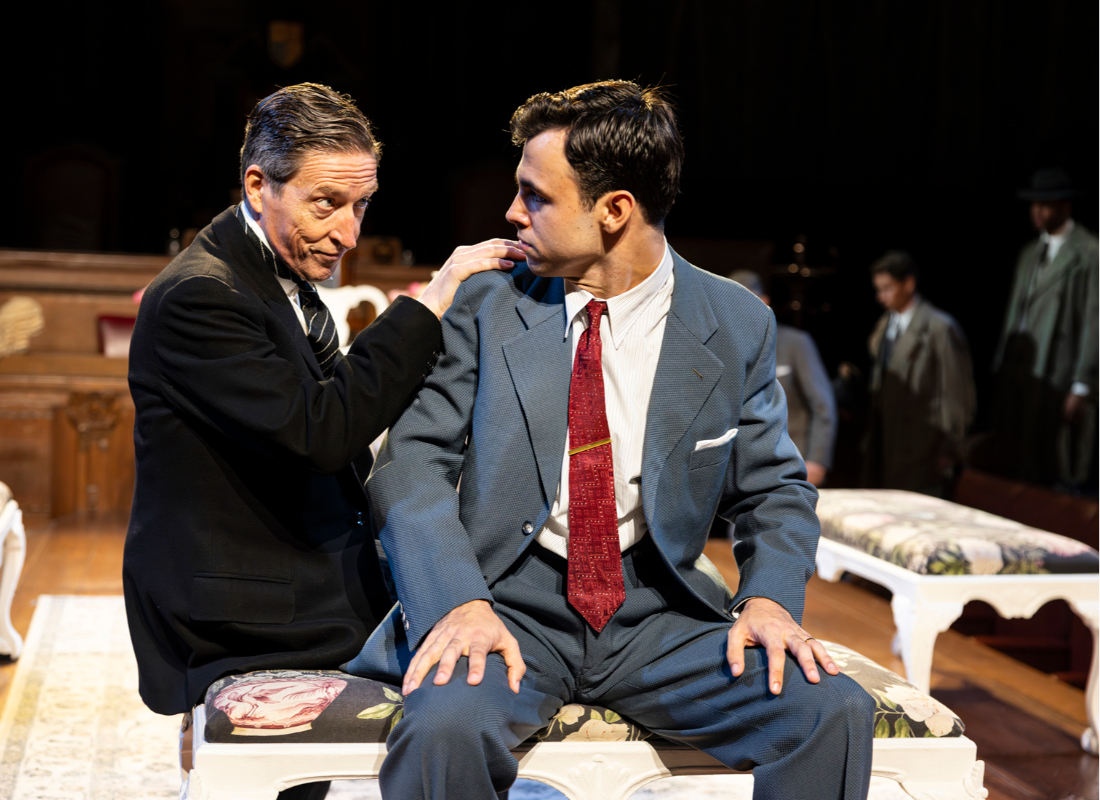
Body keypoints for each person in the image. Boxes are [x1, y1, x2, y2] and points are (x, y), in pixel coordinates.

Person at [347, 81, 874, 800]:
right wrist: (456, 602)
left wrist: (769, 602)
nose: (512, 213)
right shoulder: (488, 301)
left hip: (659, 615)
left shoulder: (735, 321)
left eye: (535, 196)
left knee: (831, 712)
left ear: (615, 210)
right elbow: (410, 464)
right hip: (507, 606)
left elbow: (774, 489)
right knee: (445, 728)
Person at [122, 83, 520, 744]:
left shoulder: (267, 269)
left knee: (480, 597)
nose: (349, 233)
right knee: (483, 662)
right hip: (239, 610)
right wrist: (432, 301)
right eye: (327, 203)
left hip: (286, 571)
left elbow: (340, 410)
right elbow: (323, 432)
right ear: (259, 186)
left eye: (361, 204)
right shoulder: (201, 297)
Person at [992, 168, 1098, 492]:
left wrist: (1082, 383)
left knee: (1054, 462)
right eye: (1034, 204)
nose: (1037, 211)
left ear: (1065, 206)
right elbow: (1016, 313)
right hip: (1023, 371)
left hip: (1058, 372)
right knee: (1017, 458)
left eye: (1046, 204)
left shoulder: (1089, 254)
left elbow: (1094, 320)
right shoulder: (1030, 254)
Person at [863, 251, 975, 496]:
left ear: (908, 284)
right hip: (887, 444)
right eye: (878, 289)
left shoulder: (939, 328)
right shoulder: (885, 325)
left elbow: (955, 395)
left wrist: (950, 450)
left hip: (923, 450)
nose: (881, 296)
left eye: (887, 288)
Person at [729, 270, 837, 486]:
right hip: (741, 470)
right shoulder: (726, 348)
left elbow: (822, 405)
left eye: (746, 301)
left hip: (790, 463)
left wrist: (817, 460)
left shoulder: (795, 342)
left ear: (764, 302)